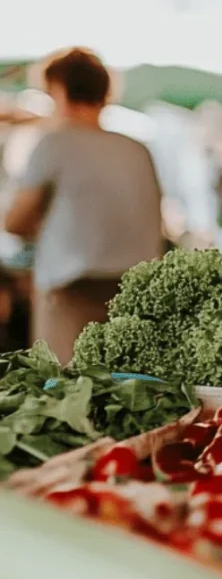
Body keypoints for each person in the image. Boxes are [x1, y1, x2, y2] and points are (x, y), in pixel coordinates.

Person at [4, 48, 163, 363]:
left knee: (64, 394)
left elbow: (14, 222)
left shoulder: (54, 143)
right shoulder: (137, 150)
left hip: (71, 297)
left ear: (59, 90)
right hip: (136, 299)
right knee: (127, 397)